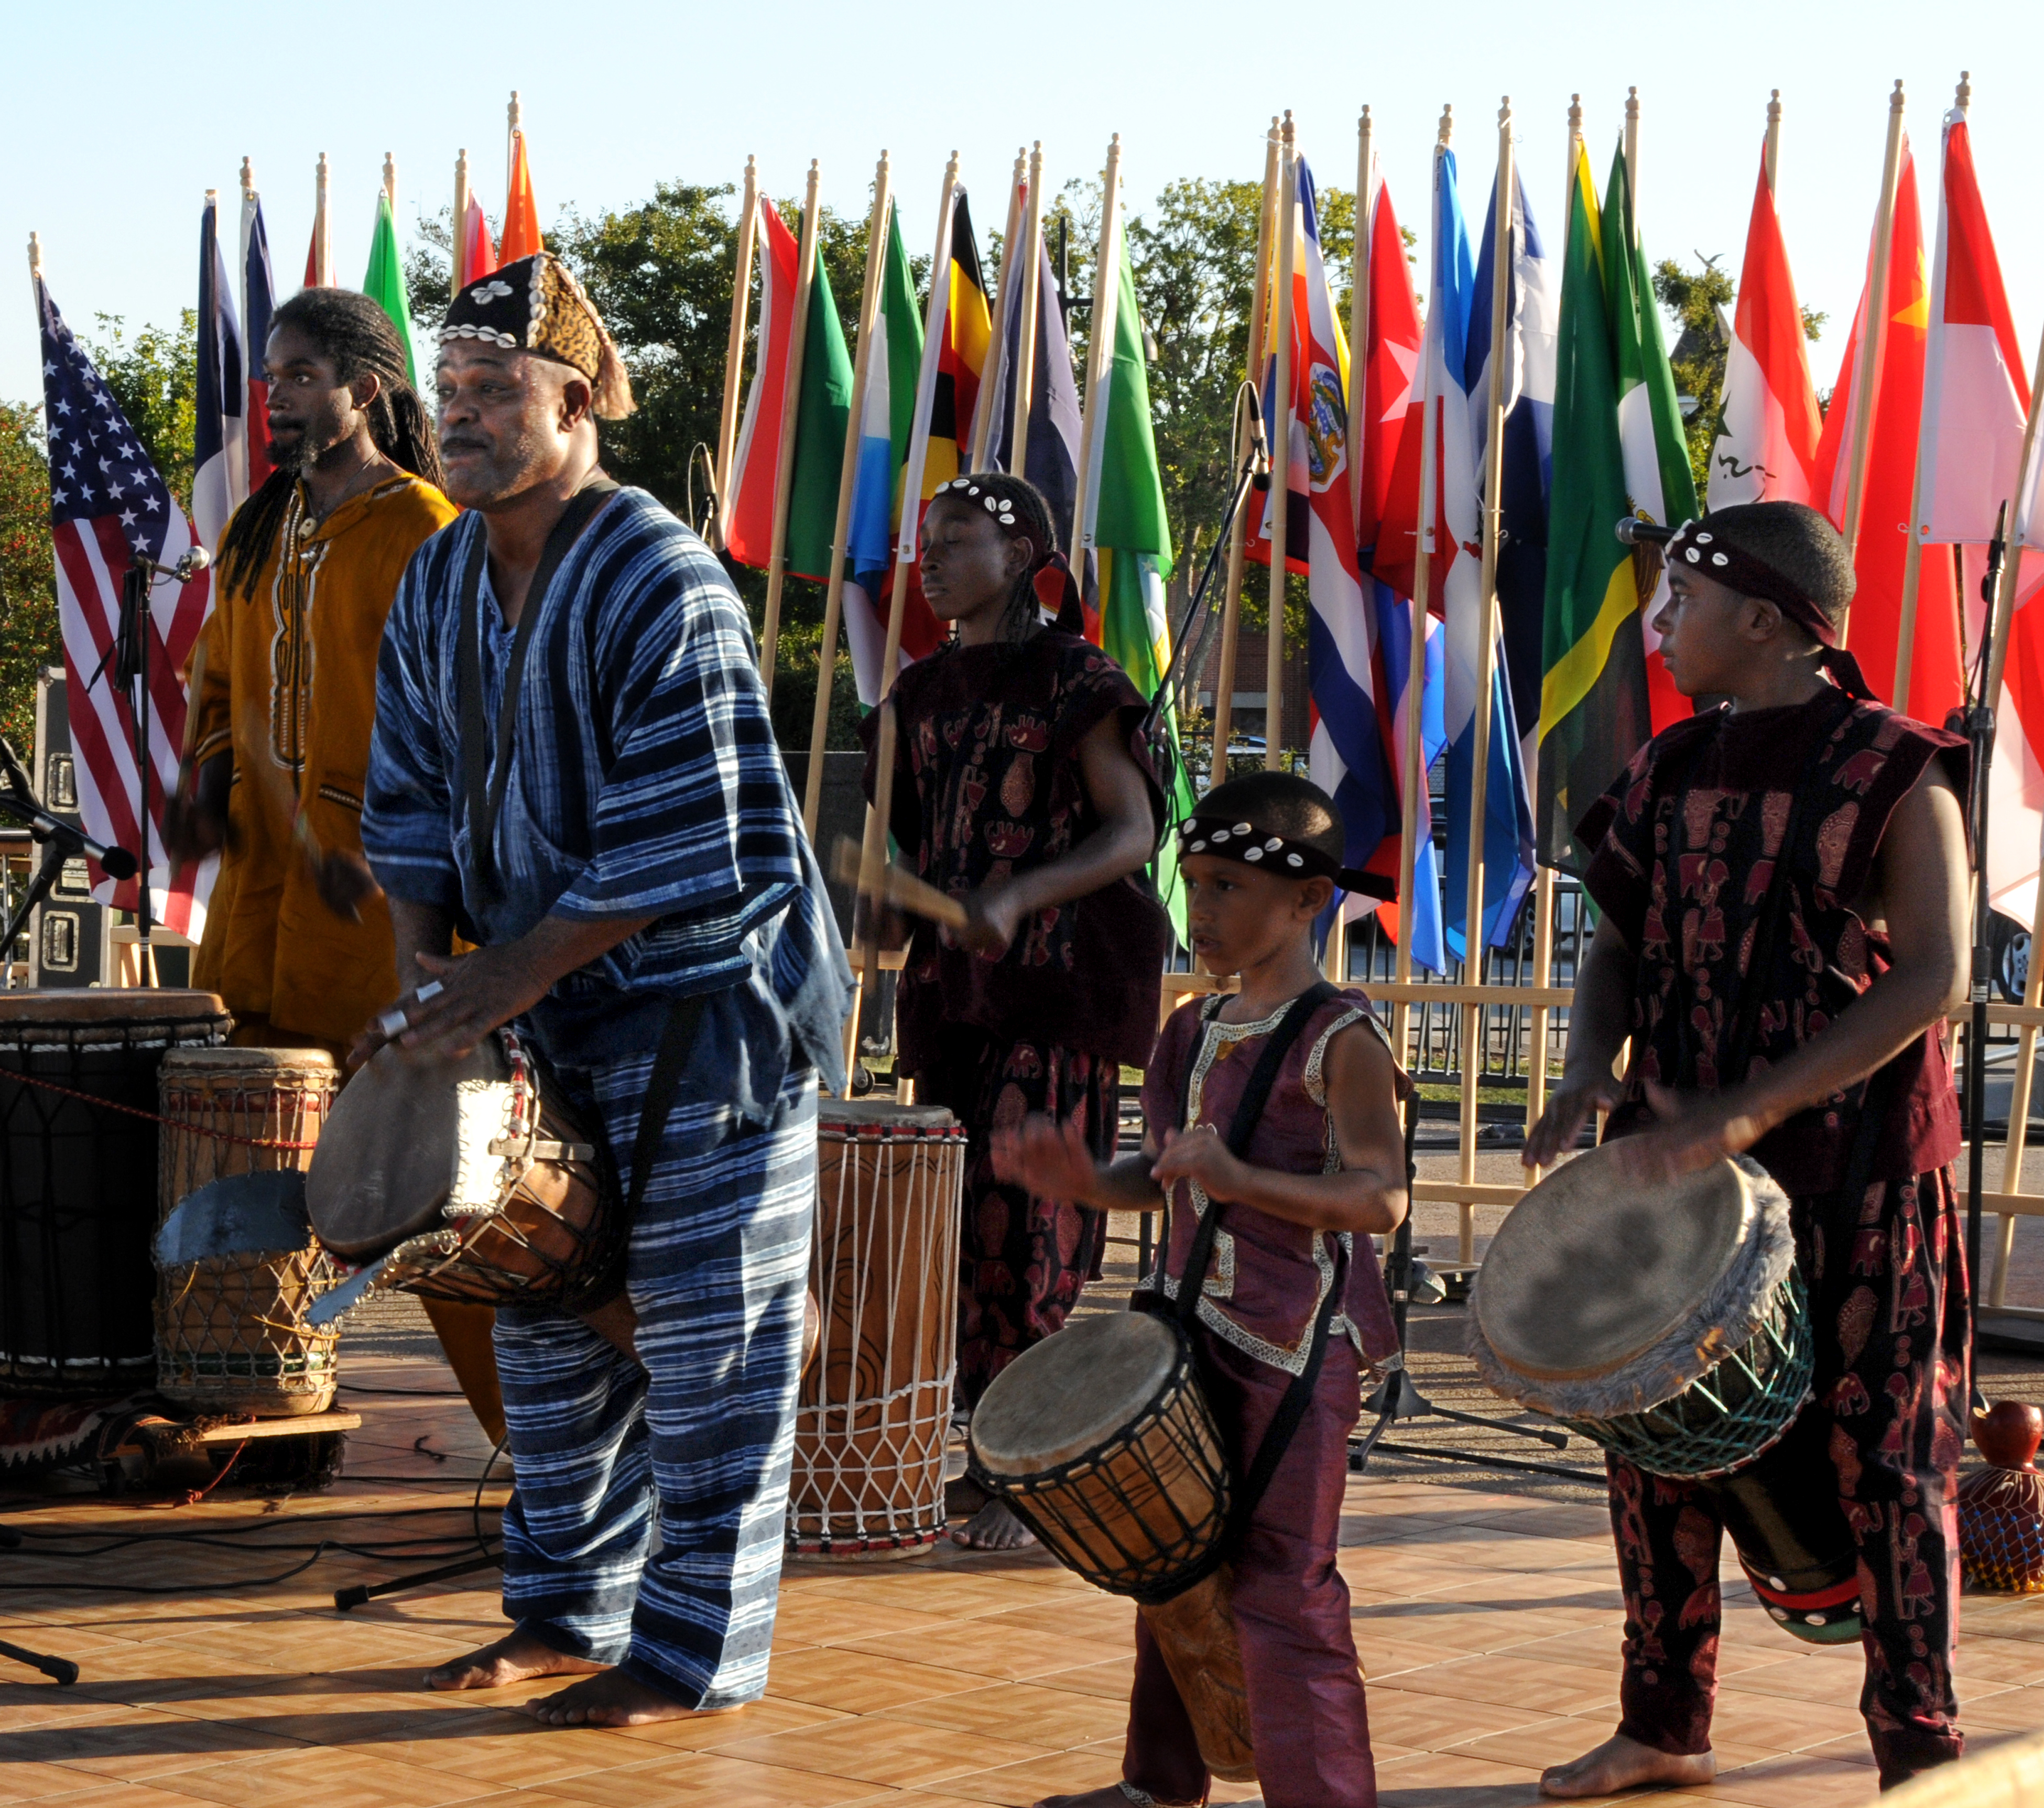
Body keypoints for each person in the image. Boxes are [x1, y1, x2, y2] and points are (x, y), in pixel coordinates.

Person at [357, 252, 850, 1728]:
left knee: (711, 1338)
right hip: (545, 1003)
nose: (460, 415)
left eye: (494, 390)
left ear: (574, 403)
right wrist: (424, 1003)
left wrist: (487, 987)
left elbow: (678, 842)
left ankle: (692, 1656)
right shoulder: (439, 570)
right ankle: (567, 1613)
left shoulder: (658, 573)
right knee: (547, 1305)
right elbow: (405, 805)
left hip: (714, 1010)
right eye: (446, 390)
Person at [1525, 502, 1971, 1796]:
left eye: (1682, 604)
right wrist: (1582, 1069)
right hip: (1680, 1172)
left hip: (1863, 1171)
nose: (1659, 626)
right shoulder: (1664, 770)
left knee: (1885, 1456)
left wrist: (1755, 1108)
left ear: (1767, 621)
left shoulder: (1898, 765)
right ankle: (1665, 1725)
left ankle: (1918, 1747)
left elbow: (1931, 976)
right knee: (1656, 1449)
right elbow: (1618, 939)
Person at [995, 770, 1407, 1808]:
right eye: (1194, 885)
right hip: (1195, 1334)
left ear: (1310, 899)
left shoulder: (1341, 1039)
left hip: (1300, 1347)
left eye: (1228, 888)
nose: (1203, 912)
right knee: (1170, 1561)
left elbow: (1382, 1200)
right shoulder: (1187, 1031)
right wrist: (1090, 1181)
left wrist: (1242, 1180)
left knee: (1284, 1587)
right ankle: (1160, 1781)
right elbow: (1168, 1172)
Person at [164, 288, 501, 1440]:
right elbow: (220, 686)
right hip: (261, 906)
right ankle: (248, 1398)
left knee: (426, 1181)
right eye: (272, 377)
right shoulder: (260, 531)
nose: (278, 397)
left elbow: (468, 718)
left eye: (301, 375)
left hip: (380, 914)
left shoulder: (427, 529)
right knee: (241, 1157)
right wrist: (209, 784)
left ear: (367, 388)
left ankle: (528, 1441)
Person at [861, 472, 1169, 1551]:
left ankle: (1030, 1477)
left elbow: (1131, 833)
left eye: (955, 540)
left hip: (1056, 988)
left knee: (1028, 1233)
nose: (930, 559)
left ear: (1023, 551)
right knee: (952, 1237)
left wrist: (1018, 893)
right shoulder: (916, 694)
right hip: (957, 993)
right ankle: (988, 1452)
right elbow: (918, 845)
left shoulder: (1077, 677)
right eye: (924, 543)